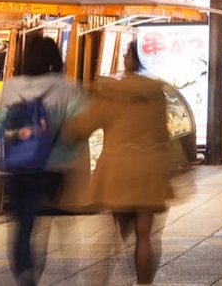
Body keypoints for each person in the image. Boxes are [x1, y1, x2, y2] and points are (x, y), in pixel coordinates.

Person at [68, 45, 176, 285]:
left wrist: (65, 130)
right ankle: (144, 282)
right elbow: (163, 133)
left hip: (117, 169)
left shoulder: (111, 92)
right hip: (149, 168)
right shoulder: (155, 93)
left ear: (128, 61)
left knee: (113, 233)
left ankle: (101, 280)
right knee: (145, 235)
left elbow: (83, 126)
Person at [0, 34, 81, 286]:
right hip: (52, 166)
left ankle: (24, 273)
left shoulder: (9, 86)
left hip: (15, 166)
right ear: (54, 58)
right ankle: (31, 270)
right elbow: (80, 126)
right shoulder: (67, 86)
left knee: (20, 223)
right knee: (39, 222)